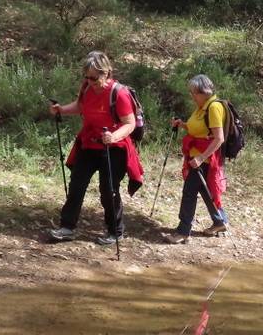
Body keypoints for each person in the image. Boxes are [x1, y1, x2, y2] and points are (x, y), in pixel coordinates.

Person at [48, 51, 144, 245]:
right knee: (77, 184)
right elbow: (80, 106)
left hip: (114, 147)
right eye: (87, 77)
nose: (90, 81)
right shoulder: (87, 88)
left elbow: (130, 123)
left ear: (106, 73)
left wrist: (113, 136)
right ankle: (67, 227)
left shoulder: (120, 93)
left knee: (108, 189)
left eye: (94, 77)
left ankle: (115, 231)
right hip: (89, 143)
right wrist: (61, 110)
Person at [161, 74, 229, 244]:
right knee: (207, 192)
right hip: (197, 158)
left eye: (194, 93)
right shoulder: (202, 108)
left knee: (189, 193)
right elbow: (198, 129)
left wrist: (200, 158)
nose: (191, 96)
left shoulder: (213, 108)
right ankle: (220, 221)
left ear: (203, 92)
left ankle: (183, 231)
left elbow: (218, 138)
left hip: (204, 161)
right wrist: (182, 125)